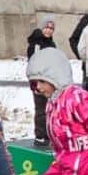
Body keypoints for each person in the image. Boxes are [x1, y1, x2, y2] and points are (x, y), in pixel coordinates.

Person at [26, 15, 57, 147]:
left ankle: (48, 133)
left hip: (49, 80)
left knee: (49, 108)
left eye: (51, 28)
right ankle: (40, 135)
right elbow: (35, 61)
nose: (49, 30)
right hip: (38, 80)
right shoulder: (37, 43)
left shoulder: (51, 43)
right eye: (46, 27)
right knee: (40, 108)